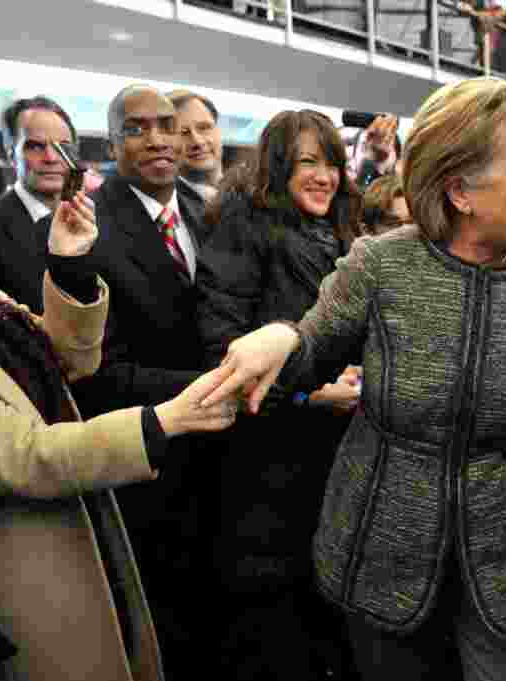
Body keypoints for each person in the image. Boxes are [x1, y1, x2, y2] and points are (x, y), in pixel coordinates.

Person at [196, 76, 506, 681]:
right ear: (460, 190)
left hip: (505, 559)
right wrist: (284, 338)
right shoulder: (380, 264)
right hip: (380, 550)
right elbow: (309, 353)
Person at [0, 190, 237, 681]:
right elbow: (20, 454)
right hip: (15, 551)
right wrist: (163, 421)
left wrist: (70, 269)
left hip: (73, 514)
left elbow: (63, 359)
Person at [195, 108, 364, 680]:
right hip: (266, 466)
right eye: (307, 163)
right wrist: (308, 396)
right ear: (277, 168)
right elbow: (220, 349)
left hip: (334, 456)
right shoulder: (242, 227)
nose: (324, 176)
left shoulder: (343, 231)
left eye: (332, 163)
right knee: (275, 629)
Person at [65, 84, 214, 679]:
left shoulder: (207, 211)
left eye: (166, 125)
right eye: (136, 128)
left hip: (224, 462)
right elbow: (93, 370)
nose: (155, 138)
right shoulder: (84, 225)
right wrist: (210, 385)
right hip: (148, 465)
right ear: (113, 141)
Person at [0, 96, 80, 312]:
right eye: (35, 146)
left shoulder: (91, 219)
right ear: (11, 154)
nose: (52, 157)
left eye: (63, 146)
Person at [168, 89, 224, 203]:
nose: (197, 141)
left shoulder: (253, 195)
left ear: (219, 131)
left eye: (204, 128)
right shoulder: (167, 209)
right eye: (183, 132)